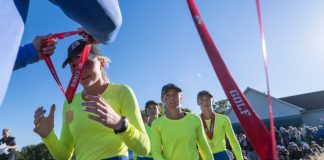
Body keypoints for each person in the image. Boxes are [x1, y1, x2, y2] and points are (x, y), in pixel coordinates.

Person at [33, 39, 150, 160]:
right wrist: (48, 136)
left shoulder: (122, 92)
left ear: (102, 63)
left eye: (86, 62)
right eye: (74, 66)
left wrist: (120, 124)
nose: (80, 70)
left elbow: (144, 149)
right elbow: (64, 156)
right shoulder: (70, 103)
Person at [151, 83, 213, 160]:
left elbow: (204, 148)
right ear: (162, 99)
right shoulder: (156, 124)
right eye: (167, 95)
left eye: (174, 94)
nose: (171, 98)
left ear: (181, 97)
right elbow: (156, 153)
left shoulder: (195, 119)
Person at [197, 90, 243, 160]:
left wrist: (240, 158)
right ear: (198, 103)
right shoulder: (195, 121)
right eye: (202, 99)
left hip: (222, 155)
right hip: (204, 157)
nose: (205, 101)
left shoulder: (223, 119)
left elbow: (233, 140)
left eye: (208, 99)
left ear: (212, 100)